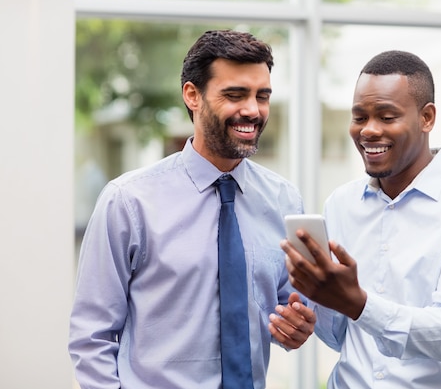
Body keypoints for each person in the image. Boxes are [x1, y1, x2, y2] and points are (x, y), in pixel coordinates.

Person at [69, 29, 316, 389]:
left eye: (262, 96)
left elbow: (286, 313)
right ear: (192, 95)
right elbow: (91, 335)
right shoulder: (128, 201)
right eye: (235, 94)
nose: (252, 110)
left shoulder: (284, 201)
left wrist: (296, 326)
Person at [281, 50, 441, 388]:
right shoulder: (341, 204)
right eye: (359, 117)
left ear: (426, 118)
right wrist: (310, 315)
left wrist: (359, 303)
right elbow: (343, 335)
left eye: (387, 117)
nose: (368, 131)